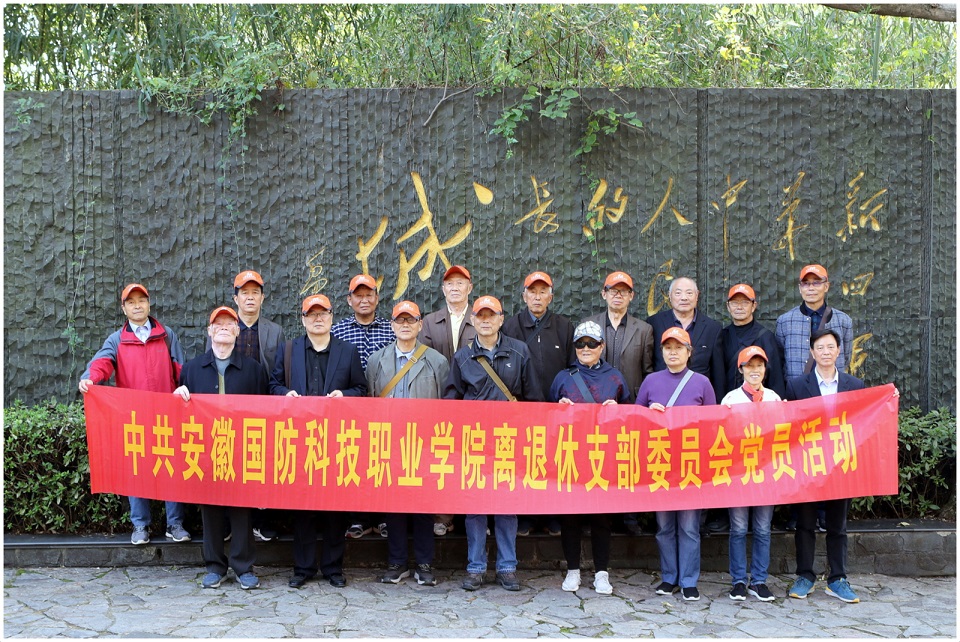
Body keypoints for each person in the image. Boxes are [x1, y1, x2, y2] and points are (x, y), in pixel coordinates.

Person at [78, 283, 190, 546]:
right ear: (124, 308)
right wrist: (90, 377)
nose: (137, 305)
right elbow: (102, 362)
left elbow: (181, 369)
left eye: (141, 300)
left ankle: (175, 524)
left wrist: (185, 389)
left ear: (149, 304)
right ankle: (140, 525)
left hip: (166, 415)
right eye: (131, 302)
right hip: (133, 418)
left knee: (171, 469)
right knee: (137, 471)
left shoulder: (166, 335)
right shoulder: (117, 339)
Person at [444, 295, 543, 592]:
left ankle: (507, 567)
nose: (485, 320)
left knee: (506, 505)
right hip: (474, 443)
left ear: (501, 319)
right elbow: (451, 401)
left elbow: (533, 398)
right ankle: (475, 568)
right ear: (472, 320)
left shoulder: (520, 351)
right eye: (480, 315)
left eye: (492, 315)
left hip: (509, 441)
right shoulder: (462, 357)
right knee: (475, 507)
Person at [785, 328, 891, 604]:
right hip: (808, 464)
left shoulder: (853, 385)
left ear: (839, 350)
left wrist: (889, 399)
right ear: (812, 352)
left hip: (842, 464)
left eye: (830, 347)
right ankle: (805, 576)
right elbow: (788, 426)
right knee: (805, 523)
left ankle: (837, 578)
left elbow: (866, 421)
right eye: (820, 347)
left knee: (837, 525)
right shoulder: (797, 386)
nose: (825, 352)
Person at [271, 294, 367, 589]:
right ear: (303, 320)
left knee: (335, 508)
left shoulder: (347, 351)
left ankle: (333, 568)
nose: (317, 318)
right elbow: (274, 384)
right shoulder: (289, 350)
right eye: (311, 314)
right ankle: (303, 568)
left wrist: (344, 396)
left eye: (322, 313)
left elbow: (361, 388)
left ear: (331, 317)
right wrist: (284, 394)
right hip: (300, 441)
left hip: (337, 441)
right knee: (303, 509)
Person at [174, 306, 269, 590]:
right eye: (218, 323)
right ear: (210, 331)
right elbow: (181, 412)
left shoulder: (254, 370)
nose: (224, 327)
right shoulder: (192, 369)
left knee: (242, 510)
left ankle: (243, 567)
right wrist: (178, 395)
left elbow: (265, 412)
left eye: (230, 323)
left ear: (238, 331)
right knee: (211, 509)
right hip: (206, 450)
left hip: (241, 450)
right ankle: (214, 566)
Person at [366, 300, 450, 587]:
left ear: (420, 325)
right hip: (389, 443)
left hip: (424, 444)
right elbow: (371, 400)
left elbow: (445, 405)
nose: (405, 325)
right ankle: (397, 562)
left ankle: (425, 563)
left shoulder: (436, 361)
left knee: (424, 506)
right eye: (400, 320)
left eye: (410, 320)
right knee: (394, 506)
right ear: (391, 325)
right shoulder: (376, 360)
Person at [548, 320, 630, 596]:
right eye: (580, 343)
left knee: (601, 517)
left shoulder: (615, 377)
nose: (586, 348)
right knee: (570, 516)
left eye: (591, 343)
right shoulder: (563, 377)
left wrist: (617, 410)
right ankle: (572, 569)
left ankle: (601, 572)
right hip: (571, 455)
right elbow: (547, 416)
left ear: (602, 346)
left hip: (603, 456)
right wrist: (559, 409)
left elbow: (631, 415)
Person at [635, 327, 716, 601]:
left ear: (688, 352)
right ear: (661, 352)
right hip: (660, 464)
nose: (673, 353)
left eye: (679, 348)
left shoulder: (702, 383)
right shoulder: (651, 381)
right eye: (668, 348)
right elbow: (635, 421)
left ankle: (689, 580)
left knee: (689, 527)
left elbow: (714, 425)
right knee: (665, 526)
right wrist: (650, 414)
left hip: (691, 465)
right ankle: (669, 577)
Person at [208, 269, 286, 543]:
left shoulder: (275, 331)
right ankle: (229, 523)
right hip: (227, 409)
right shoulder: (224, 326)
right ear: (236, 298)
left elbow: (279, 370)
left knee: (260, 465)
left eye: (255, 293)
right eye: (244, 293)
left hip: (263, 407)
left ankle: (260, 523)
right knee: (228, 465)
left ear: (263, 298)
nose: (250, 298)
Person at [502, 270, 574, 537]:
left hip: (556, 408)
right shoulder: (511, 327)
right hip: (521, 409)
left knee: (554, 462)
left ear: (551, 297)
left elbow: (572, 367)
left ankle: (552, 515)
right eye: (532, 292)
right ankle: (528, 515)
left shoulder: (564, 327)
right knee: (525, 462)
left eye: (543, 292)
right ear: (524, 296)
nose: (537, 297)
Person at [583, 270, 654, 536]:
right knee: (597, 458)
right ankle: (597, 514)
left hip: (628, 404)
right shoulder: (589, 324)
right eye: (613, 290)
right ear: (604, 294)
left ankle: (629, 515)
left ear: (631, 296)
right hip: (593, 405)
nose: (618, 295)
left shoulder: (644, 329)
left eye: (624, 291)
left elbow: (647, 370)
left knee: (628, 459)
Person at [330, 274, 394, 539]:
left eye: (369, 295)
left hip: (385, 407)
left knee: (384, 461)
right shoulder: (337, 331)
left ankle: (383, 517)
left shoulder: (391, 328)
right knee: (354, 461)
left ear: (377, 298)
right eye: (358, 295)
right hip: (350, 408)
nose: (364, 300)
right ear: (349, 300)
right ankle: (358, 517)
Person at [720, 346, 781, 602]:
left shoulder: (775, 399)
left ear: (765, 369)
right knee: (738, 528)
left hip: (766, 475)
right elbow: (721, 435)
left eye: (759, 366)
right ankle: (738, 581)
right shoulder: (730, 400)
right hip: (738, 475)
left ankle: (759, 580)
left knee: (763, 528)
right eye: (749, 366)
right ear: (741, 369)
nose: (755, 371)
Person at [420, 264, 477, 537]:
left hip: (474, 401)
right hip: (440, 399)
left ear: (470, 288)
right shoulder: (430, 322)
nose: (455, 288)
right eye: (450, 284)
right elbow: (424, 359)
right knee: (443, 458)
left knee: (474, 460)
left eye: (460, 283)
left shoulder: (481, 317)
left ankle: (473, 517)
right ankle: (443, 516)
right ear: (443, 289)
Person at [646, 276, 725, 400]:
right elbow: (647, 364)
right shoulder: (654, 323)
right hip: (662, 396)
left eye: (689, 293)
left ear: (697, 296)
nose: (684, 298)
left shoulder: (712, 328)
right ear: (669, 296)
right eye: (678, 293)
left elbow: (718, 373)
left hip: (698, 398)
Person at [776, 264, 854, 381]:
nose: (811, 288)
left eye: (817, 283)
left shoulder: (843, 320)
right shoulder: (785, 321)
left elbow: (846, 356)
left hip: (832, 387)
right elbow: (780, 360)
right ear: (800, 288)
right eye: (806, 283)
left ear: (826, 286)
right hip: (797, 388)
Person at [719, 283, 786, 398]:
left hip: (759, 402)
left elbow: (776, 377)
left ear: (754, 306)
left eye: (745, 303)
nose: (739, 307)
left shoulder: (766, 337)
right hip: (730, 401)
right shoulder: (722, 336)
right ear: (728, 306)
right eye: (734, 303)